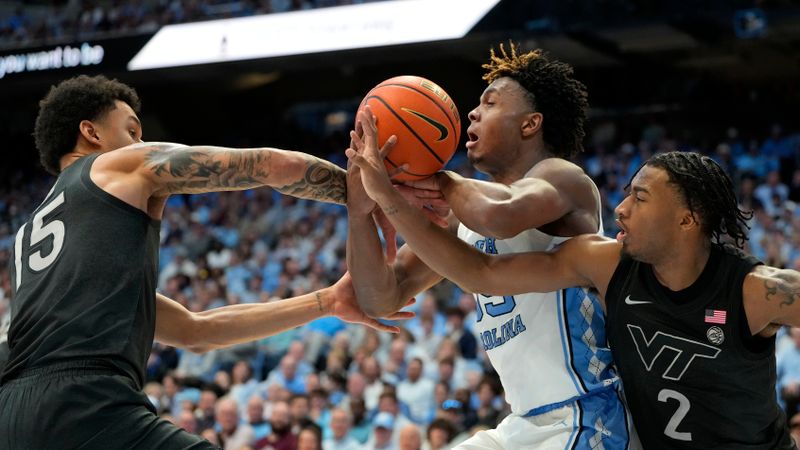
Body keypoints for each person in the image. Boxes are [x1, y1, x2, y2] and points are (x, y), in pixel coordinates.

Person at [0, 74, 411, 449]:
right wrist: (369, 198)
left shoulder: (28, 240)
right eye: (131, 131)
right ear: (89, 133)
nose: (141, 144)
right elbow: (272, 165)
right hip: (85, 405)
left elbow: (198, 331)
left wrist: (327, 302)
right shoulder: (113, 165)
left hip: (14, 417)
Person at [349, 138, 798, 448]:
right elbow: (481, 272)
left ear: (688, 218)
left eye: (640, 199)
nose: (620, 209)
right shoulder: (604, 264)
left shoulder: (753, 291)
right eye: (626, 195)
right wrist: (386, 199)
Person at [346, 43, 637, 448]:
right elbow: (381, 298)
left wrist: (440, 181)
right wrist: (361, 210)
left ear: (530, 123)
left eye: (491, 102)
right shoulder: (462, 215)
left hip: (589, 412)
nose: (473, 112)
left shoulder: (562, 178)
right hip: (523, 422)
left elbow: (498, 217)